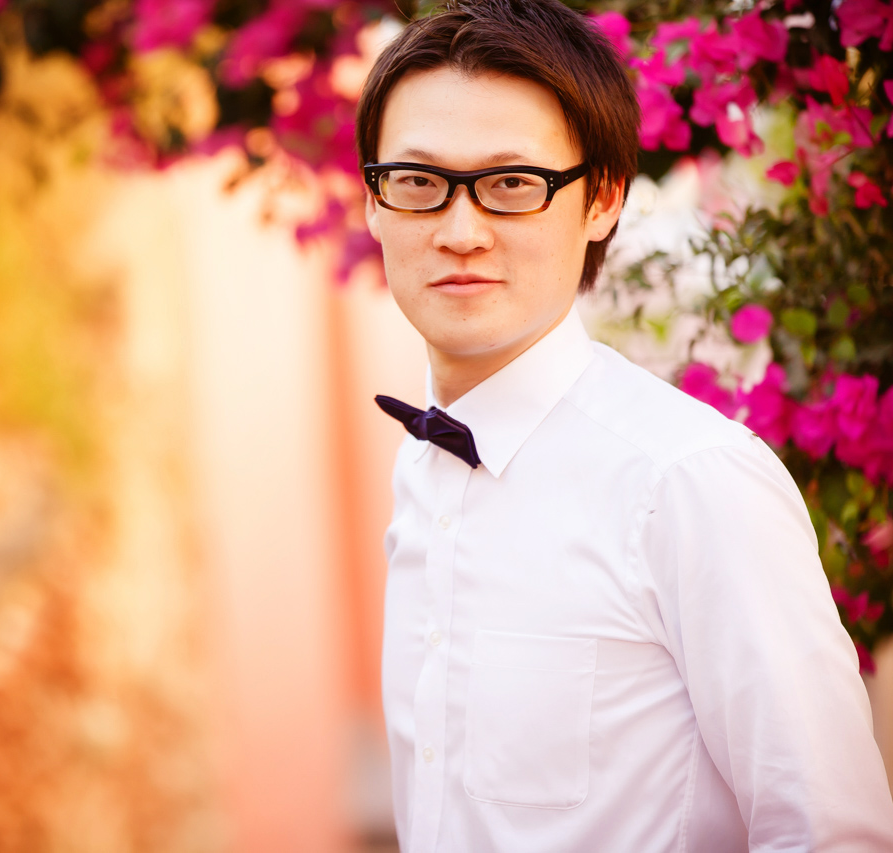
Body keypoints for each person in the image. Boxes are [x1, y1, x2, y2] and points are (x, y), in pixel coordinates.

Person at [356, 1, 893, 850]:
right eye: (419, 182)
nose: (460, 232)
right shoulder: (420, 470)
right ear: (373, 202)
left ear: (603, 198)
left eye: (512, 183)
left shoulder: (689, 481)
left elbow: (830, 832)